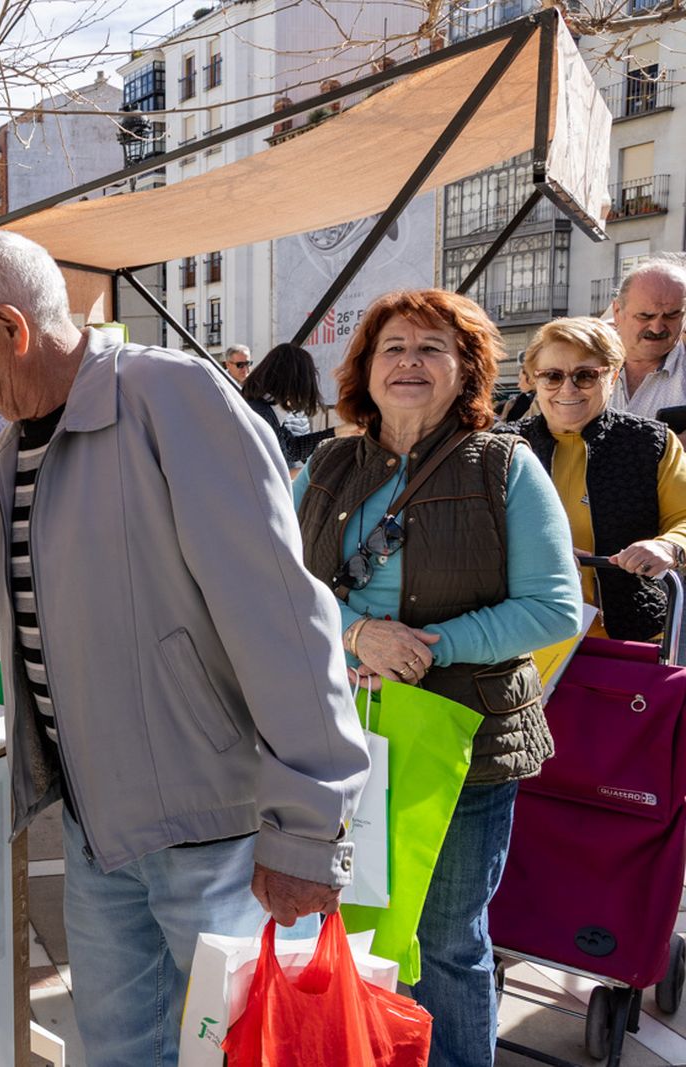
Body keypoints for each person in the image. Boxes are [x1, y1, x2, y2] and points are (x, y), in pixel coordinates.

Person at [0, 231, 369, 1067]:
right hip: (98, 836)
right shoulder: (11, 461)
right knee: (117, 1055)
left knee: (232, 1055)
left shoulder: (173, 399)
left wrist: (310, 826)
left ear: (14, 329)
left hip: (211, 839)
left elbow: (279, 613)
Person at [293, 289, 582, 1067]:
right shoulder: (326, 462)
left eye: (431, 348)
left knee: (448, 935)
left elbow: (556, 607)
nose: (410, 362)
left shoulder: (506, 466)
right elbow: (279, 583)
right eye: (394, 347)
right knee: (348, 919)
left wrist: (429, 645)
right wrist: (358, 632)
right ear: (365, 368)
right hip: (338, 728)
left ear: (466, 371)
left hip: (464, 738)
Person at [503, 316, 686, 640]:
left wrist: (668, 547)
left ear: (613, 376)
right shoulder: (500, 445)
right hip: (521, 635)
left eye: (585, 376)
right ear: (534, 380)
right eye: (552, 376)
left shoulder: (649, 442)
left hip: (627, 637)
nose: (568, 389)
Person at [607, 254, 686, 420]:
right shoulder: (583, 361)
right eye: (645, 316)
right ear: (617, 312)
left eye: (671, 316)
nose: (657, 328)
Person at [240, 342, 336, 469]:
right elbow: (268, 471)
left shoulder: (264, 410)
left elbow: (292, 448)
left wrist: (338, 432)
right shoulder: (262, 416)